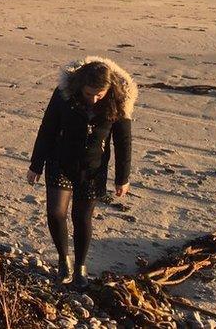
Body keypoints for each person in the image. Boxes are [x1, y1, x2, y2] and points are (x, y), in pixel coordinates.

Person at [26, 57, 136, 288]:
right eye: (89, 94)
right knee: (56, 213)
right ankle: (64, 260)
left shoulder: (118, 101)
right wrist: (36, 164)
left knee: (82, 218)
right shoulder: (64, 95)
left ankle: (80, 267)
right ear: (79, 87)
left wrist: (122, 177)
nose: (94, 99)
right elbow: (48, 128)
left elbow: (123, 141)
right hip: (60, 161)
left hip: (93, 169)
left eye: (100, 94)